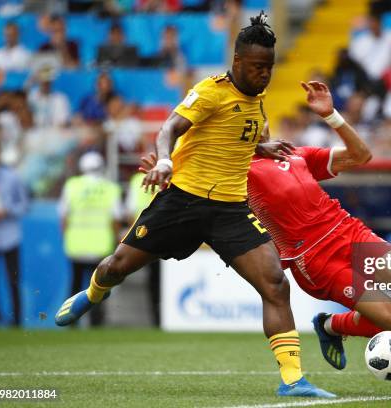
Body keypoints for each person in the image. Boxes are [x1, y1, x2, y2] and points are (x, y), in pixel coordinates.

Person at [141, 81, 391, 386]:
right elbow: (194, 183)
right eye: (253, 121)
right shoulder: (235, 171)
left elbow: (361, 156)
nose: (259, 125)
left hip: (349, 232)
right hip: (314, 259)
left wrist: (331, 115)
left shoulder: (296, 153)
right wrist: (164, 169)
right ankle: (330, 325)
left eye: (262, 119)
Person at [54, 12, 334, 399]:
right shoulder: (210, 91)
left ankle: (293, 380)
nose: (264, 75)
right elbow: (169, 127)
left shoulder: (257, 99)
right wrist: (165, 159)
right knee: (115, 267)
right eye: (256, 68)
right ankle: (93, 294)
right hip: (183, 200)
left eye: (268, 68)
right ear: (237, 63)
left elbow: (234, 135)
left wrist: (261, 147)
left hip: (231, 209)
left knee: (275, 283)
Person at [58, 152, 122, 327]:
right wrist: (117, 243)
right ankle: (96, 323)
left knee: (75, 285)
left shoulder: (72, 186)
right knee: (98, 287)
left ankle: (71, 323)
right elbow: (115, 219)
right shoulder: (110, 188)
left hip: (76, 245)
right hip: (101, 246)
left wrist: (66, 238)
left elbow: (63, 216)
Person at [0, 135, 28, 326]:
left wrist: (6, 211)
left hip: (8, 236)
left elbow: (23, 205)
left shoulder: (11, 177)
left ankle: (17, 321)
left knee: (13, 281)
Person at [125, 171, 160, 326]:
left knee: (154, 281)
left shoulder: (137, 180)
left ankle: (157, 318)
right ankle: (158, 319)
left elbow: (129, 212)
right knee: (156, 281)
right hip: (165, 237)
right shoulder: (176, 172)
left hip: (144, 239)